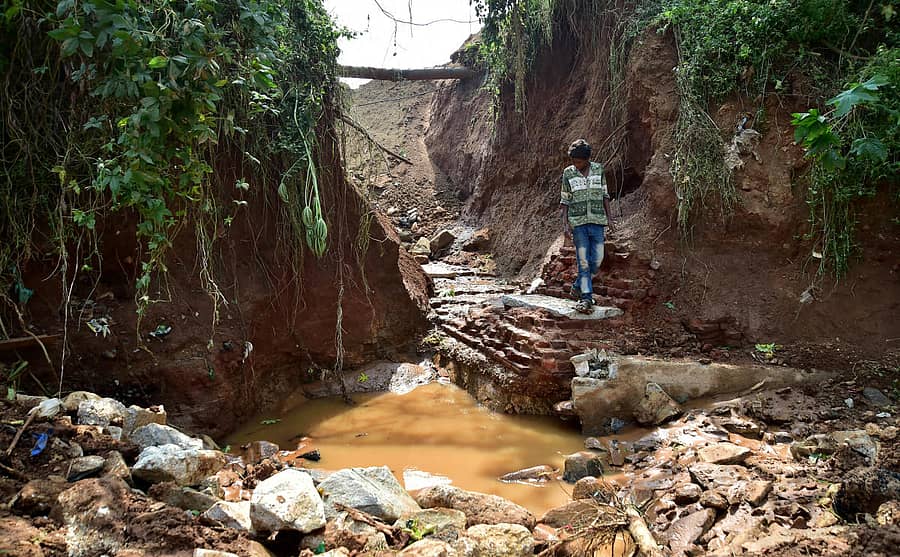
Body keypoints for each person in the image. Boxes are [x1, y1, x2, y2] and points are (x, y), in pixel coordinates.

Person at [559, 139, 614, 314]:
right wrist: (565, 223)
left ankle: (577, 286)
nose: (576, 164)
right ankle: (586, 298)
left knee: (597, 260)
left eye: (579, 161)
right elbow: (565, 199)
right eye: (574, 161)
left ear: (587, 159)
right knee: (583, 262)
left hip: (597, 221)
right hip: (578, 222)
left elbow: (605, 194)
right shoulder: (568, 173)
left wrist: (610, 219)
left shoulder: (599, 170)